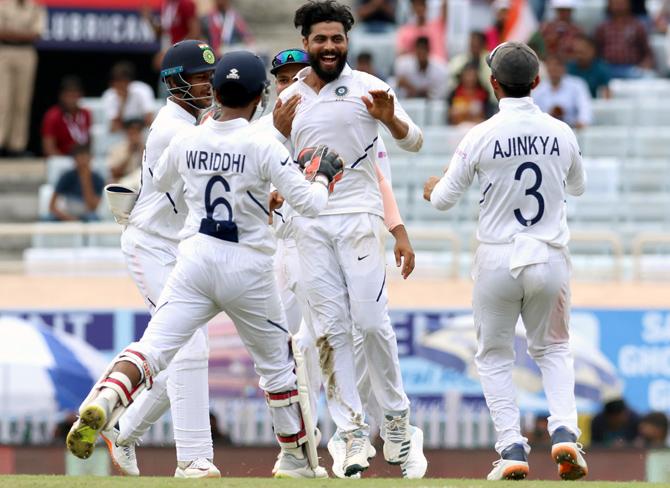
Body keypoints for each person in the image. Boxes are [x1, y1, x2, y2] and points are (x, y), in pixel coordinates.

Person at [66, 50, 343, 480]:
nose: (200, 85)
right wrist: (322, 175)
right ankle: (287, 458)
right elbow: (308, 202)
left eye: (206, 79)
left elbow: (173, 177)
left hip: (193, 255)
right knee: (276, 366)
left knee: (156, 347)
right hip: (232, 262)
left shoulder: (186, 139)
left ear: (215, 91)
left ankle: (111, 400)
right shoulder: (242, 139)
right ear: (259, 96)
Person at [423, 41, 588, 481]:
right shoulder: (561, 131)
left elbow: (442, 201)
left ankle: (512, 447)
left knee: (494, 355)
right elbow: (578, 186)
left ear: (493, 83)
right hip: (549, 257)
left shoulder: (479, 135)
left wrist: (432, 187)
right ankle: (565, 433)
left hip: (497, 259)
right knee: (553, 349)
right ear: (536, 82)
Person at [266, 47, 427, 479]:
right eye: (278, 77)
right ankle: (340, 433)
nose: (286, 82)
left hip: (353, 224)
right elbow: (261, 163)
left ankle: (393, 423)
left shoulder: (360, 96)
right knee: (313, 342)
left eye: (291, 74)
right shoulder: (284, 108)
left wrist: (398, 231)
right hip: (295, 238)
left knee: (366, 327)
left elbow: (384, 170)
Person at [98, 40, 220, 479]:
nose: (207, 83)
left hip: (178, 245)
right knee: (190, 346)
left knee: (176, 353)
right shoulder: (176, 126)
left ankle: (124, 429)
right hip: (150, 244)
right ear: (174, 82)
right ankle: (192, 458)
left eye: (210, 75)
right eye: (198, 77)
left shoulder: (196, 120)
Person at [0, 0, 45, 157]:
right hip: (4, 51)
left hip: (26, 53)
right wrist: (22, 34)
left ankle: (16, 146)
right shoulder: (3, 4)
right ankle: (1, 142)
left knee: (22, 101)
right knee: (3, 100)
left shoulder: (35, 7)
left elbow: (37, 33)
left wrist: (12, 32)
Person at [594, 0, 654, 79]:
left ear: (629, 4)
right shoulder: (602, 27)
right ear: (609, 4)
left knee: (649, 77)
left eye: (622, 2)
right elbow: (595, 51)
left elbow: (647, 52)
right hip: (607, 68)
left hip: (631, 68)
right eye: (615, 2)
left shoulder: (637, 26)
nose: (619, 5)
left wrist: (645, 64)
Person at [533, 55, 593, 129]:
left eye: (557, 65)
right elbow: (533, 112)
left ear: (564, 68)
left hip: (573, 130)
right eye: (550, 65)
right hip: (546, 130)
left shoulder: (577, 85)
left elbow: (585, 108)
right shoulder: (538, 88)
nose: (553, 68)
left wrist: (581, 122)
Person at [48, 144, 104, 222]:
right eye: (80, 158)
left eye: (86, 158)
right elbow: (52, 206)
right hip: (66, 214)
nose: (83, 162)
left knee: (94, 218)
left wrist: (86, 180)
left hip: (85, 216)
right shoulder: (66, 177)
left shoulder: (98, 179)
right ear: (74, 160)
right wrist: (68, 218)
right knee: (47, 218)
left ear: (91, 159)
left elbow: (92, 208)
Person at [41, 77, 92, 157]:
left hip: (85, 160)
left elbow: (93, 142)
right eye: (68, 96)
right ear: (61, 96)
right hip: (63, 161)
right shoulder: (52, 116)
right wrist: (66, 162)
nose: (71, 100)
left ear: (80, 96)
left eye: (74, 96)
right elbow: (48, 149)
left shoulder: (86, 114)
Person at [102, 62, 155, 133]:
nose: (121, 86)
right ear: (112, 83)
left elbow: (149, 121)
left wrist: (134, 130)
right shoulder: (109, 96)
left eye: (124, 81)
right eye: (118, 82)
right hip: (121, 136)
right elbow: (114, 128)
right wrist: (122, 102)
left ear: (129, 81)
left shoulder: (143, 90)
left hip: (141, 133)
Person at [448, 31, 494, 101]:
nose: (474, 46)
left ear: (483, 44)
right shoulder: (459, 61)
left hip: (486, 100)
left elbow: (491, 88)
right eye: (472, 44)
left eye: (477, 44)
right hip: (462, 99)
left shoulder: (491, 62)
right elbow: (452, 83)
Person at [106, 118, 145, 189]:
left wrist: (142, 150)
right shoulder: (116, 149)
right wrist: (130, 153)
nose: (135, 136)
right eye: (132, 132)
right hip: (122, 182)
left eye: (138, 132)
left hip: (139, 182)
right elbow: (114, 173)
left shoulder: (144, 148)